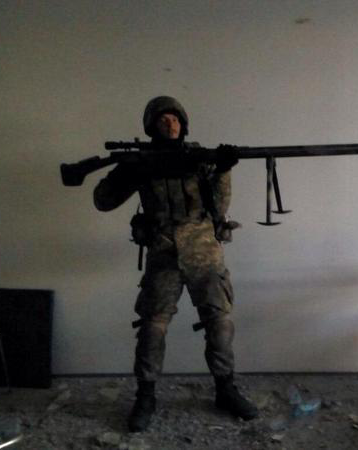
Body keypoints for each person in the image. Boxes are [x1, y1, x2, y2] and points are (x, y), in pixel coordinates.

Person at [93, 96, 258, 432]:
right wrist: (130, 171)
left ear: (184, 124)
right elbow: (103, 200)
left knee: (220, 323)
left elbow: (220, 208)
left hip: (204, 252)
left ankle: (225, 389)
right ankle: (146, 396)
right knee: (152, 327)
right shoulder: (142, 161)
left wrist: (223, 169)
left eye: (175, 119)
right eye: (162, 120)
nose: (170, 125)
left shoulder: (200, 159)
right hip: (163, 253)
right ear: (151, 126)